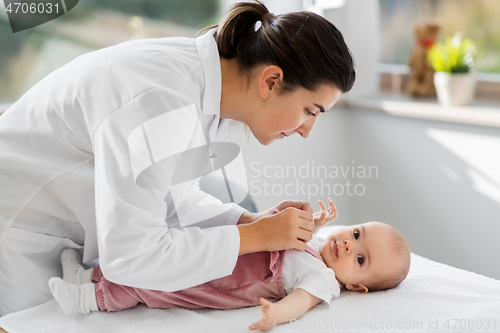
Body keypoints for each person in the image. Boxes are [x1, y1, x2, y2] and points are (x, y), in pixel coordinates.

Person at [0, 0, 355, 315]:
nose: (307, 130)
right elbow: (131, 257)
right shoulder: (164, 103)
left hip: (53, 233)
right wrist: (258, 237)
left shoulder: (204, 89)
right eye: (310, 111)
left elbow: (169, 199)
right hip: (17, 234)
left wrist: (248, 220)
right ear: (271, 82)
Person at [48, 199, 411, 333]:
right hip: (227, 251)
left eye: (360, 259)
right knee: (168, 253)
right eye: (358, 233)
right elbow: (304, 242)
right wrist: (314, 223)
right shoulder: (319, 245)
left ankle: (85, 300)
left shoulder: (324, 280)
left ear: (357, 287)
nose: (349, 244)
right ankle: (86, 276)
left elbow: (301, 301)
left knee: (160, 285)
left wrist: (276, 316)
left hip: (226, 282)